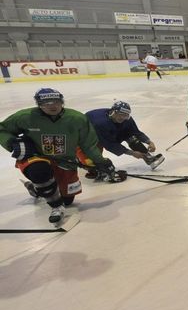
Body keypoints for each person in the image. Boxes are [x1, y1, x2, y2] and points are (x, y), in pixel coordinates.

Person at [0, 88, 118, 223]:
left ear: (62, 102)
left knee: (68, 200)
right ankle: (56, 207)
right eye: (46, 103)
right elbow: (2, 129)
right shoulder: (25, 117)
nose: (52, 106)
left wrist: (100, 162)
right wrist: (11, 142)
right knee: (39, 172)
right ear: (38, 104)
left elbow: (88, 145)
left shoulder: (77, 119)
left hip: (65, 161)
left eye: (56, 101)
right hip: (37, 157)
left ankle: (36, 188)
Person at [77, 101, 164, 177]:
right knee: (93, 162)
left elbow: (135, 132)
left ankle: (148, 158)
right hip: (88, 137)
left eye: (126, 115)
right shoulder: (100, 123)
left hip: (109, 131)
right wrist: (132, 153)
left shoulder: (127, 119)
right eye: (120, 115)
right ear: (113, 112)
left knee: (131, 137)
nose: (123, 118)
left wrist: (149, 142)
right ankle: (82, 161)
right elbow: (109, 144)